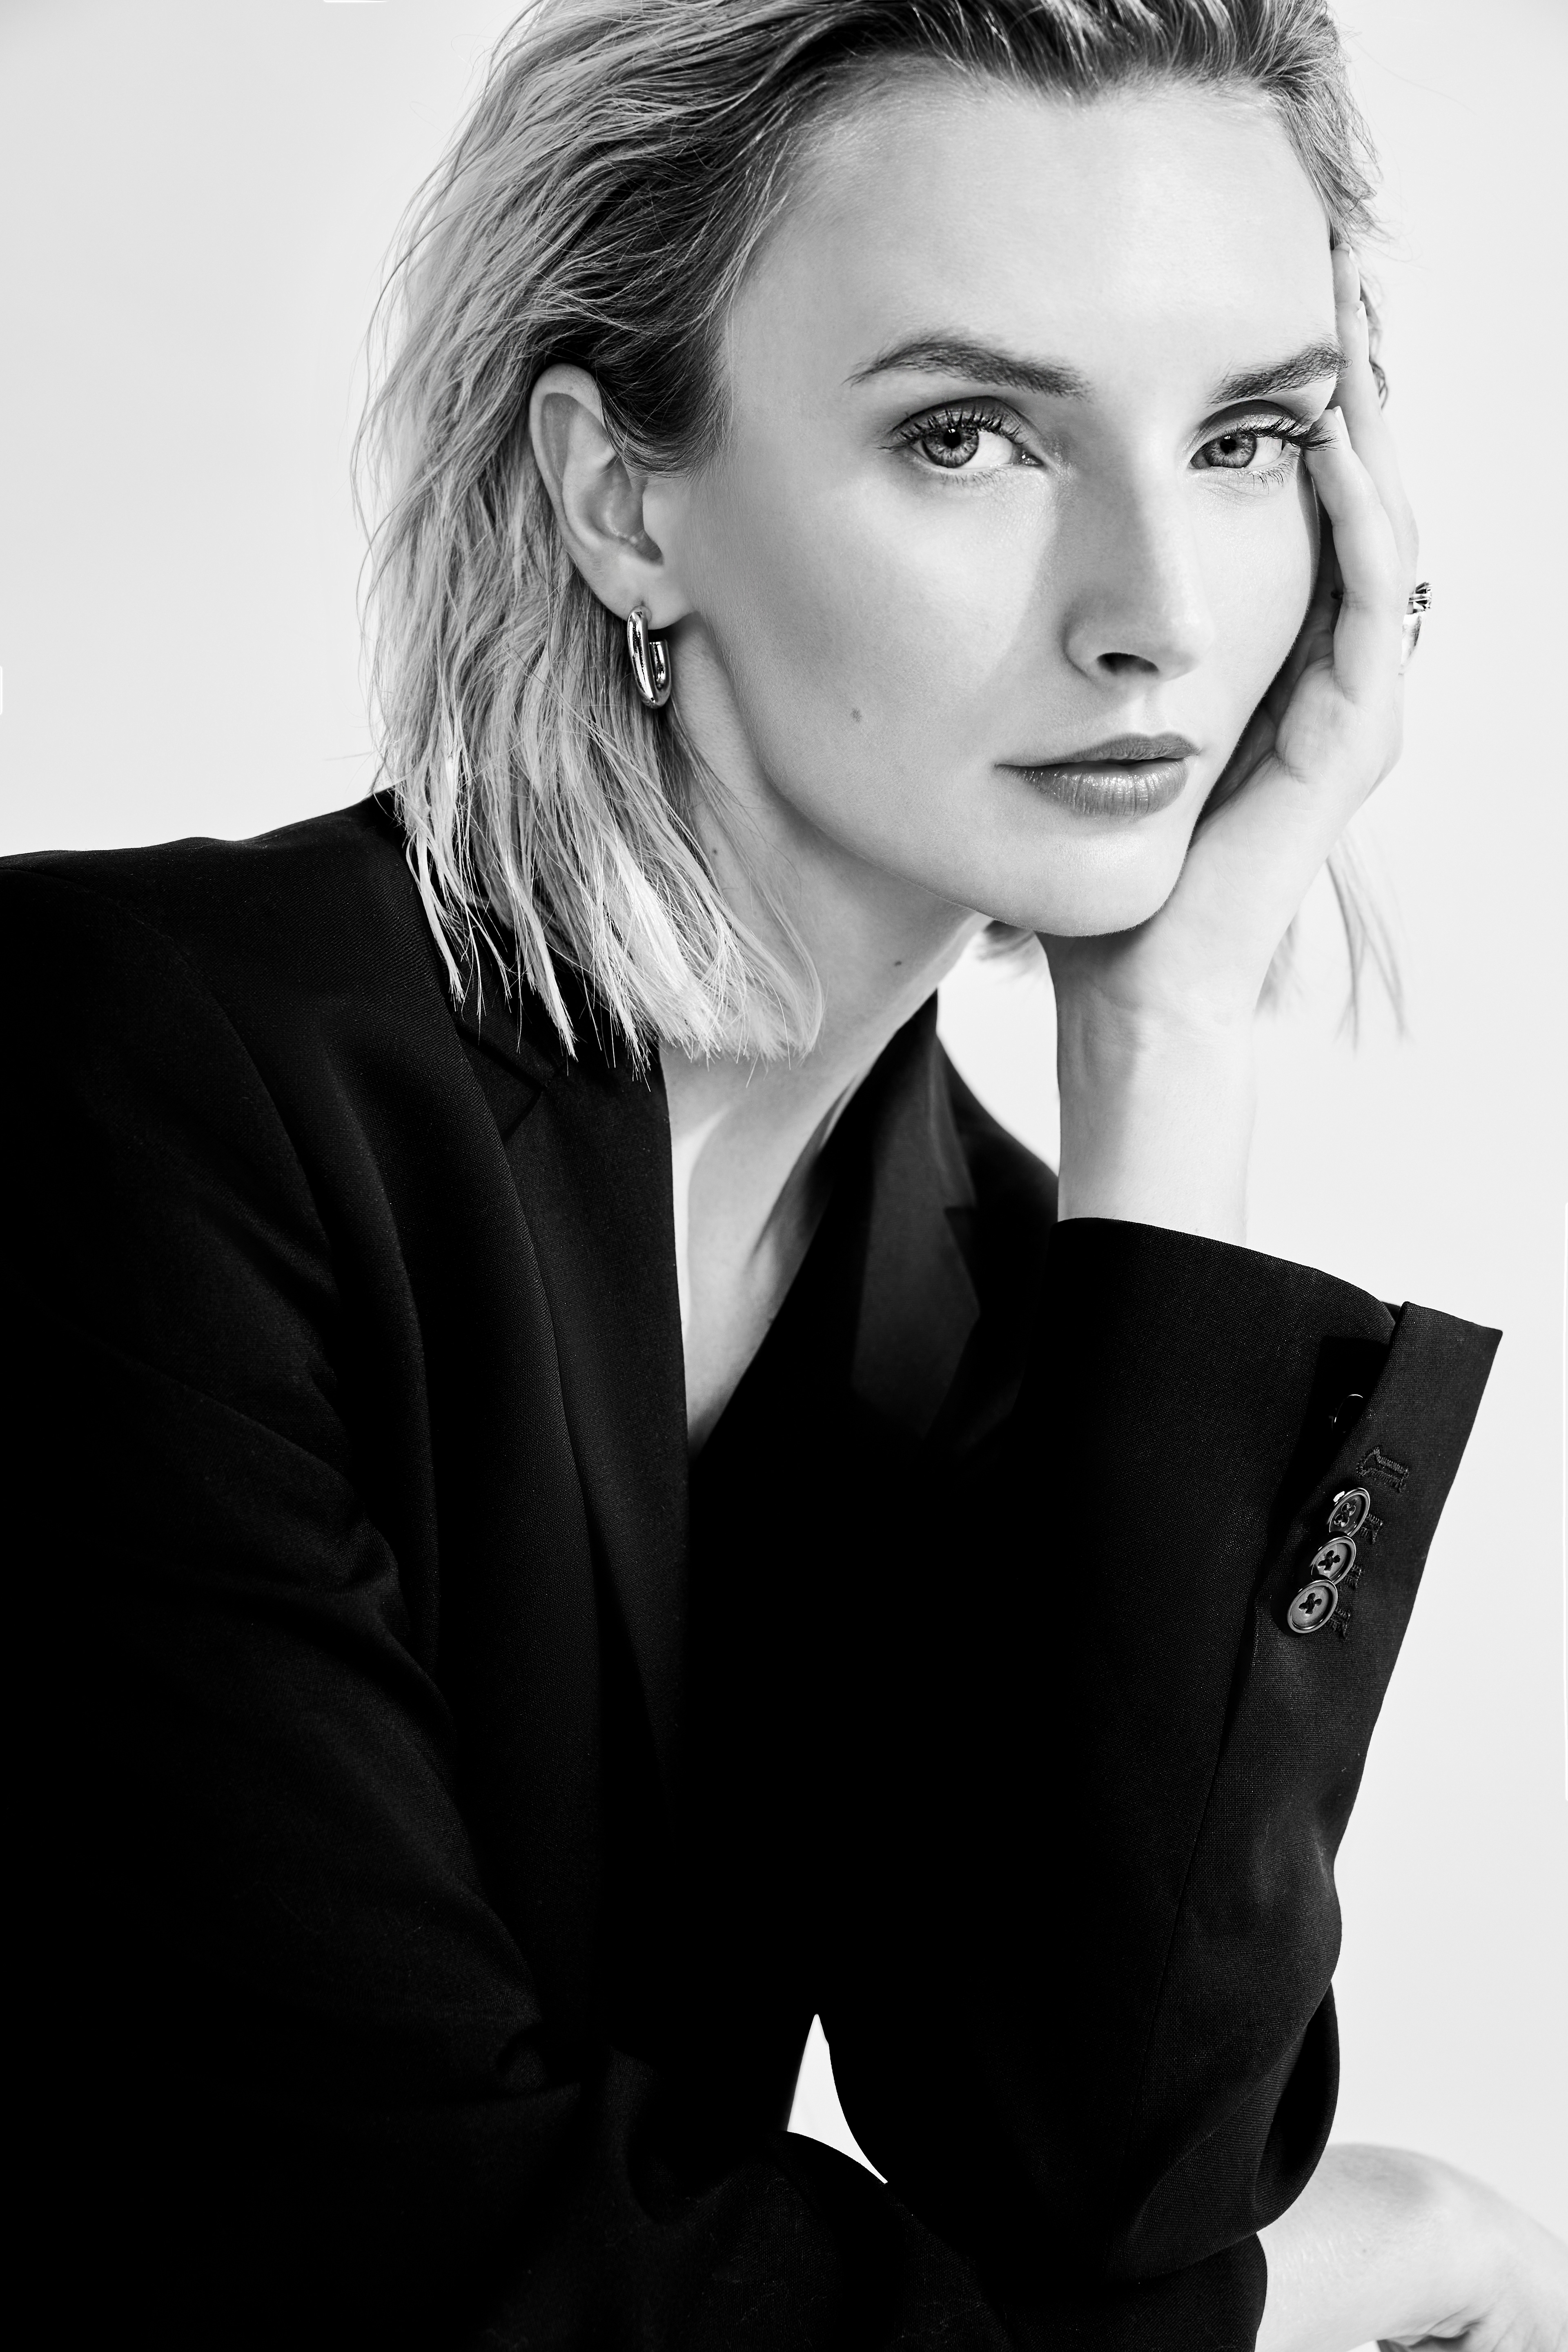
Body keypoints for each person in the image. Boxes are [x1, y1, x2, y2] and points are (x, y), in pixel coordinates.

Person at [6, 1, 1564, 2346]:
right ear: (624, 503)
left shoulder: (997, 1286)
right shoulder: (123, 1082)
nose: (1157, 611)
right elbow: (409, 2266)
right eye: (970, 435)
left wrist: (1167, 1046)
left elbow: (1113, 2174)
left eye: (1247, 439)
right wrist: (1324, 2283)